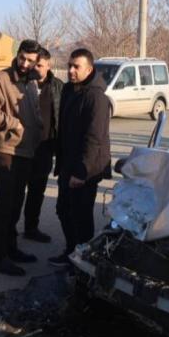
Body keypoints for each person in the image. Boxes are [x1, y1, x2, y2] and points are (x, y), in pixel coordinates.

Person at [0, 39, 43, 276]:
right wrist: (13, 124)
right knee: (4, 205)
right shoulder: (0, 78)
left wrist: (38, 129)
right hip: (5, 150)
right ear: (17, 55)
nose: (25, 64)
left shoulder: (31, 82)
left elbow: (34, 113)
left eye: (30, 61)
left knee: (16, 204)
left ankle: (11, 248)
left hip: (25, 152)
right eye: (22, 58)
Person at [49, 48, 112, 268]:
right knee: (63, 210)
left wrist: (81, 172)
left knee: (81, 216)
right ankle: (71, 251)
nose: (71, 70)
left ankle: (84, 262)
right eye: (69, 66)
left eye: (77, 67)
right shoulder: (69, 90)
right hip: (69, 162)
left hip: (87, 167)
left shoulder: (97, 97)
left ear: (89, 69)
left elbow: (95, 138)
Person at [21, 47, 63, 244]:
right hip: (21, 147)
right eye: (34, 64)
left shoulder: (58, 86)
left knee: (37, 192)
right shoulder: (22, 83)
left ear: (48, 65)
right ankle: (8, 231)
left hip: (44, 148)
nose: (35, 68)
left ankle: (31, 228)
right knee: (15, 193)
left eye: (40, 65)